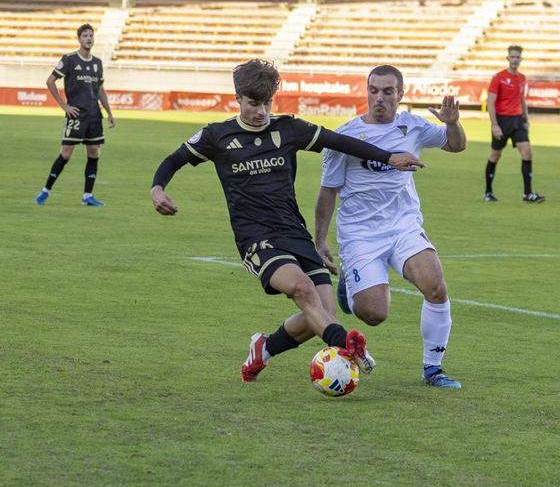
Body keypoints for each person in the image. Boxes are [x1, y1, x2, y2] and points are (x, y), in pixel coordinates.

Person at [149, 59, 423, 383]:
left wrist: (388, 156)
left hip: (295, 232)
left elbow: (339, 142)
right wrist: (157, 189)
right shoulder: (217, 136)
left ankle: (264, 348)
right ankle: (347, 344)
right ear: (238, 98)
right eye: (253, 104)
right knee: (302, 290)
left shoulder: (288, 129)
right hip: (256, 238)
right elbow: (174, 160)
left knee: (322, 314)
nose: (261, 112)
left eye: (267, 103)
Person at [315, 65, 467, 389]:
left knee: (436, 287)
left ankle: (433, 369)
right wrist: (320, 240)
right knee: (374, 314)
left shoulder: (412, 126)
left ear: (401, 94)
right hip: (360, 234)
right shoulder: (344, 137)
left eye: (387, 91)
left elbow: (456, 145)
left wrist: (453, 123)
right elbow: (328, 191)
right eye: (373, 91)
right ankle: (351, 283)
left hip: (403, 227)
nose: (379, 98)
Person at [36, 24, 116, 207]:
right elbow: (50, 81)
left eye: (91, 35)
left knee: (94, 152)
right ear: (79, 39)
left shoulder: (97, 63)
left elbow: (100, 89)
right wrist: (64, 106)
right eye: (85, 35)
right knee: (65, 154)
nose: (88, 38)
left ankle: (87, 196)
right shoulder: (69, 59)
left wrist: (109, 112)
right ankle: (45, 190)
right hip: (76, 115)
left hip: (94, 115)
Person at [484, 44, 544, 202]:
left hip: (518, 120)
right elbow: (490, 102)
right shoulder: (498, 77)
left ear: (521, 59)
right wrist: (494, 125)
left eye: (518, 57)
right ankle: (488, 192)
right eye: (512, 56)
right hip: (502, 120)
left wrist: (526, 119)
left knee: (527, 152)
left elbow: (521, 99)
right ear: (508, 58)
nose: (515, 60)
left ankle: (527, 194)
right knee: (495, 155)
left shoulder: (522, 78)